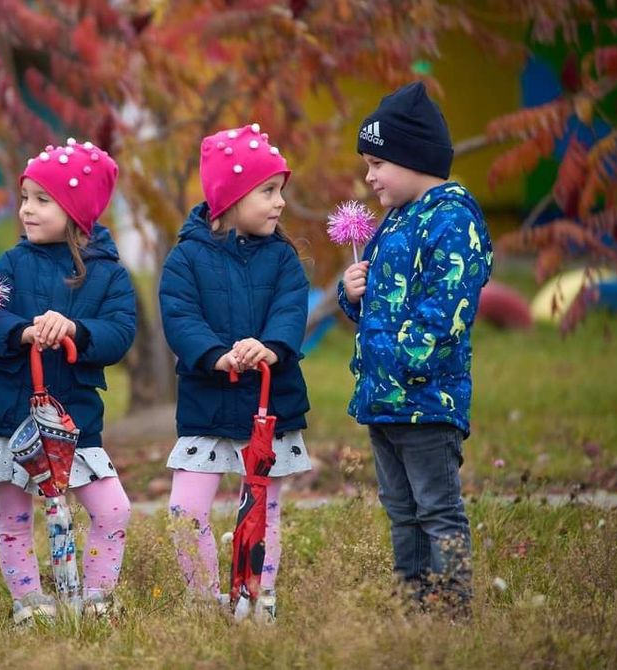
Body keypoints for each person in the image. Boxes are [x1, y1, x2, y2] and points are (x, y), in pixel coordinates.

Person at [0, 139, 136, 623]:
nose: (26, 211)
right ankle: (30, 602)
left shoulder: (108, 275)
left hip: (72, 418)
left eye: (42, 200)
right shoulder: (12, 263)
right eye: (25, 198)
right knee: (15, 516)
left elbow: (121, 332)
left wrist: (77, 330)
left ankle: (97, 596)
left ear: (77, 210)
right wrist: (20, 331)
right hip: (9, 413)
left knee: (112, 510)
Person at [338, 81, 493, 616]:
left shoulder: (453, 219)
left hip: (427, 401)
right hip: (384, 399)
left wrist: (405, 360)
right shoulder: (394, 222)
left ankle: (450, 611)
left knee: (436, 510)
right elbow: (381, 303)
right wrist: (352, 292)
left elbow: (447, 305)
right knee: (401, 511)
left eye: (378, 162)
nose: (369, 175)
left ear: (415, 158)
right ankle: (413, 606)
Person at [158, 123, 312, 624]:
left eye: (280, 192)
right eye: (268, 191)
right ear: (231, 196)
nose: (280, 203)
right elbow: (179, 316)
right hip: (208, 404)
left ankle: (256, 601)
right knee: (186, 508)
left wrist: (268, 347)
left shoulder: (284, 258)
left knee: (263, 509)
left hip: (268, 406)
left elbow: (291, 312)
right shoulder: (186, 258)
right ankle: (203, 600)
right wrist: (215, 354)